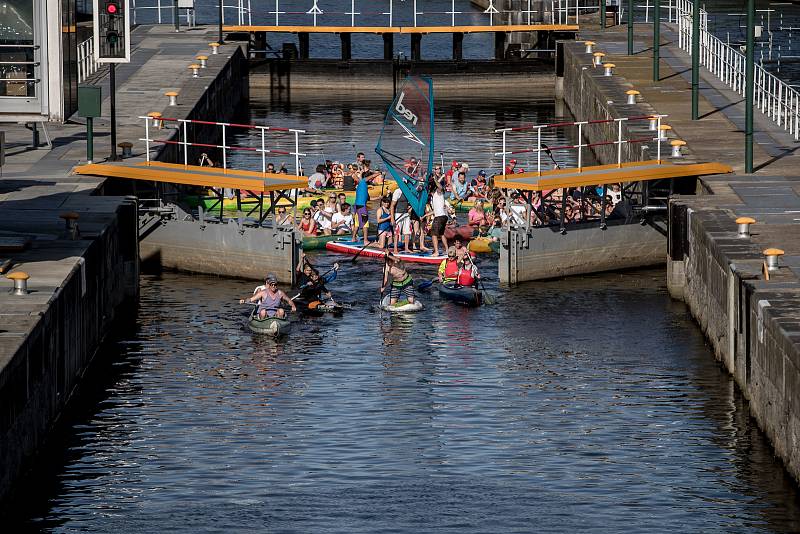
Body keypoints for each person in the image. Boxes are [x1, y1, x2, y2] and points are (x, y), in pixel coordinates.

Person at [429, 179, 449, 256]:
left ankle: (436, 252)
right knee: (441, 234)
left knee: (434, 234)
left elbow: (440, 187)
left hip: (440, 217)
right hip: (443, 216)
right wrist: (425, 216)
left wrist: (434, 179)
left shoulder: (438, 193)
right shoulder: (434, 197)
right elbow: (434, 210)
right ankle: (447, 249)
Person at [390, 187, 413, 254]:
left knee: (407, 232)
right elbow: (392, 206)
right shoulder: (397, 191)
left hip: (406, 214)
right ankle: (395, 249)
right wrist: (392, 218)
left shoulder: (409, 191)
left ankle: (406, 248)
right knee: (397, 232)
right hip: (398, 214)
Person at [352, 171, 371, 245]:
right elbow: (371, 176)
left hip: (357, 207)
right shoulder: (363, 182)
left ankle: (353, 238)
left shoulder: (363, 187)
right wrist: (380, 173)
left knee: (357, 224)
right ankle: (365, 240)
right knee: (365, 223)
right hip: (362, 207)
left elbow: (369, 199)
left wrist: (379, 197)